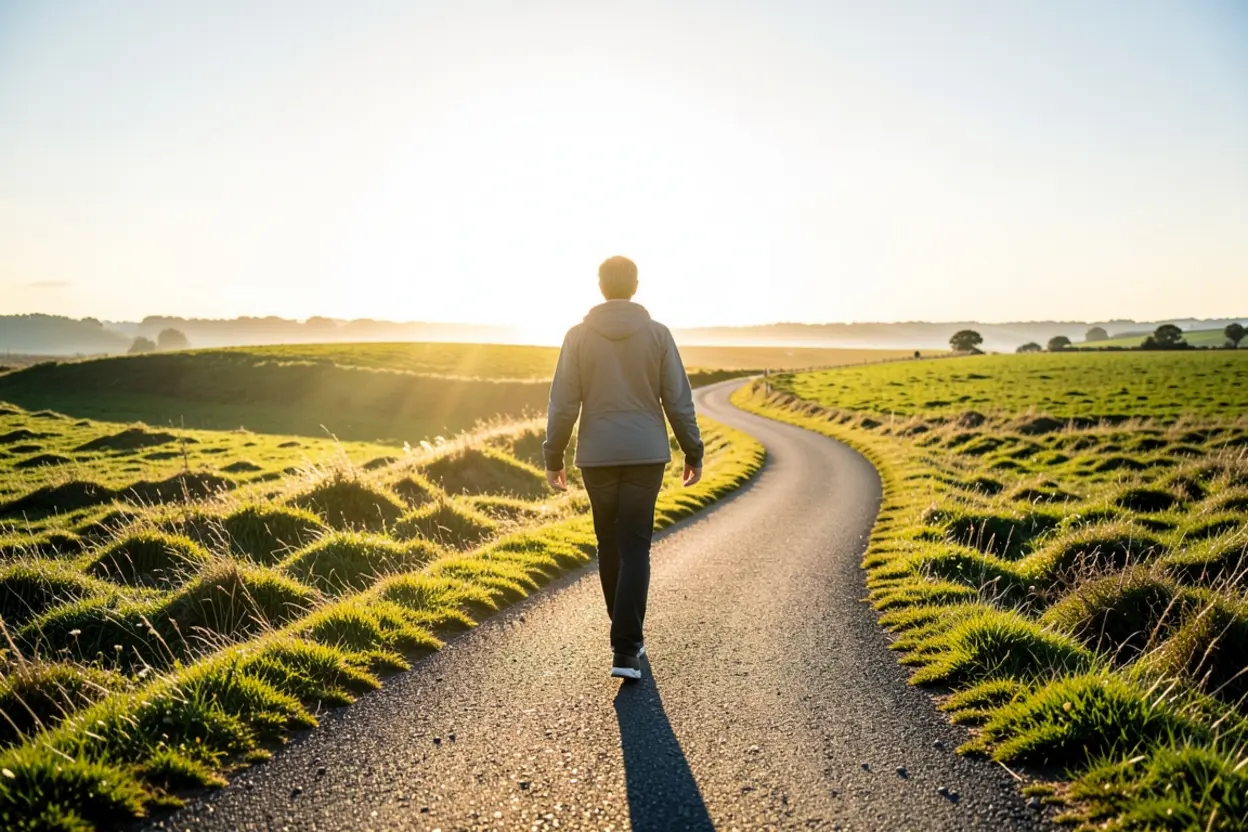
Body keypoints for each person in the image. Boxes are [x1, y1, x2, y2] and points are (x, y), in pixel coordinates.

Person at [543, 255, 704, 681]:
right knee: (635, 548)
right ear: (635, 285)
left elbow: (563, 403)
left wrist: (553, 457)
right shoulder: (658, 335)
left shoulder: (577, 337)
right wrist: (694, 450)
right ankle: (627, 645)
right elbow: (678, 399)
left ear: (600, 286)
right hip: (645, 454)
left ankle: (624, 640)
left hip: (597, 455)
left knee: (609, 545)